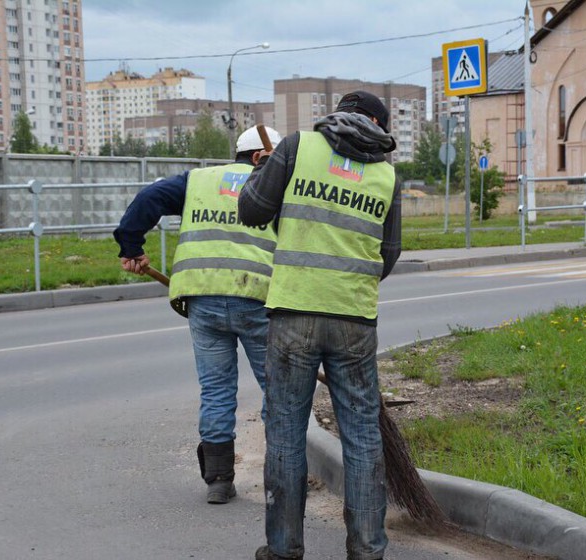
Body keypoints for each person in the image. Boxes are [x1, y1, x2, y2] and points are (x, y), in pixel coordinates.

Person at [238, 91, 402, 560]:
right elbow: (387, 256)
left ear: (338, 114)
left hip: (293, 314)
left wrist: (262, 171)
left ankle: (285, 548)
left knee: (286, 433)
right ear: (375, 123)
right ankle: (368, 550)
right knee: (364, 436)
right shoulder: (386, 175)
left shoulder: (295, 148)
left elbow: (251, 211)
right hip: (354, 319)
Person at [113, 125, 282, 505]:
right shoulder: (274, 183)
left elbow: (149, 197)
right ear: (259, 158)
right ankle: (282, 474)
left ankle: (219, 480)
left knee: (216, 389)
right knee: (280, 389)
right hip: (256, 297)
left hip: (202, 299)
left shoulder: (199, 181)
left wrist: (131, 245)